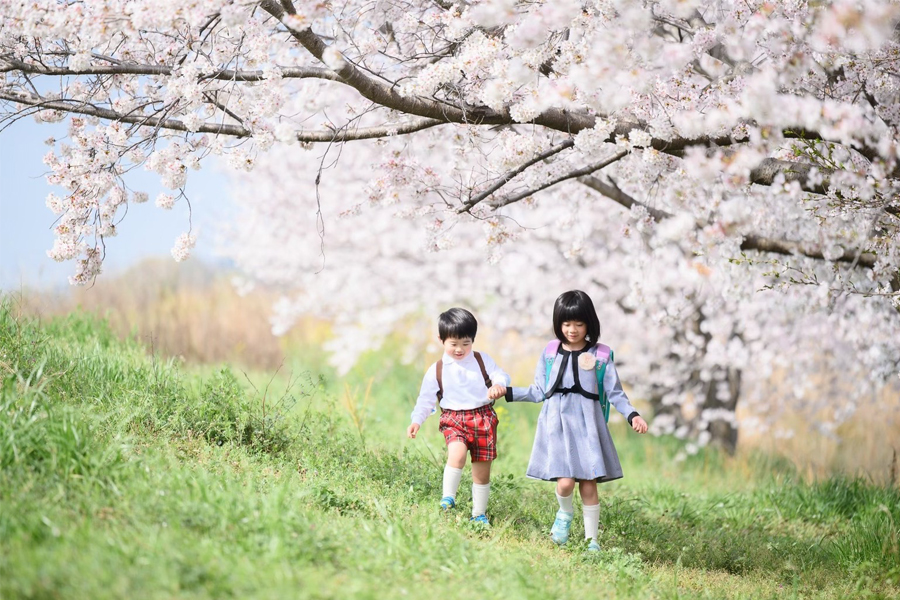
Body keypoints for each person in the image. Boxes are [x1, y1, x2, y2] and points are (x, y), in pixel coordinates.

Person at [507, 290, 648, 551]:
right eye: (566, 323)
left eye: (579, 324)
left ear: (589, 324)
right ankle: (564, 514)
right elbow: (539, 390)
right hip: (556, 423)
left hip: (588, 426)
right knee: (565, 482)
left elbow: (614, 391)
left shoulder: (601, 355)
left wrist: (632, 414)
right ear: (558, 323)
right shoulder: (550, 352)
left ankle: (591, 540)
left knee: (589, 482)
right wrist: (507, 393)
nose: (572, 330)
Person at [407, 308, 510, 525]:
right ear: (441, 340)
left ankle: (478, 514)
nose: (460, 349)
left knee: (482, 471)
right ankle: (448, 497)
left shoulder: (482, 360)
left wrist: (499, 384)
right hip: (453, 419)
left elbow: (500, 374)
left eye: (466, 343)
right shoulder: (437, 369)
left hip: (483, 418)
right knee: (457, 454)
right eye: (453, 344)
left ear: (473, 340)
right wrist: (417, 420)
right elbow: (426, 399)